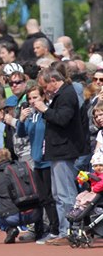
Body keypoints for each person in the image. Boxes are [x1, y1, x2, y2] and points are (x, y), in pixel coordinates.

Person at [33, 67, 85, 246]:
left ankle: (70, 230)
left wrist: (44, 109)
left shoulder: (67, 94)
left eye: (45, 85)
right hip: (58, 150)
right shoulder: (62, 94)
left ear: (54, 80)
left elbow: (63, 119)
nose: (44, 90)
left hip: (64, 150)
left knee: (66, 194)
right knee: (58, 193)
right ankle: (65, 230)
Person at [15, 85, 60, 243]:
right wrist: (21, 119)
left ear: (43, 97)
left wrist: (43, 110)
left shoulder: (46, 113)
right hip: (37, 161)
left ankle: (55, 229)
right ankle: (46, 229)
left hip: (48, 160)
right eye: (30, 99)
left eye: (35, 97)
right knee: (42, 197)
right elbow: (21, 133)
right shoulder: (32, 116)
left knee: (51, 196)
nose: (32, 101)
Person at [0, 148, 43, 244]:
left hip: (12, 217)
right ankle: (39, 229)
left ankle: (9, 229)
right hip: (34, 213)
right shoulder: (24, 169)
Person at [68, 152, 103, 221]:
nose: (98, 168)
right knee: (81, 195)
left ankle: (81, 209)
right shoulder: (94, 174)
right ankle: (76, 207)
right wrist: (82, 177)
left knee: (87, 198)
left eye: (101, 165)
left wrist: (94, 188)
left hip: (98, 193)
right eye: (96, 166)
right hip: (93, 191)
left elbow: (101, 184)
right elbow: (86, 178)